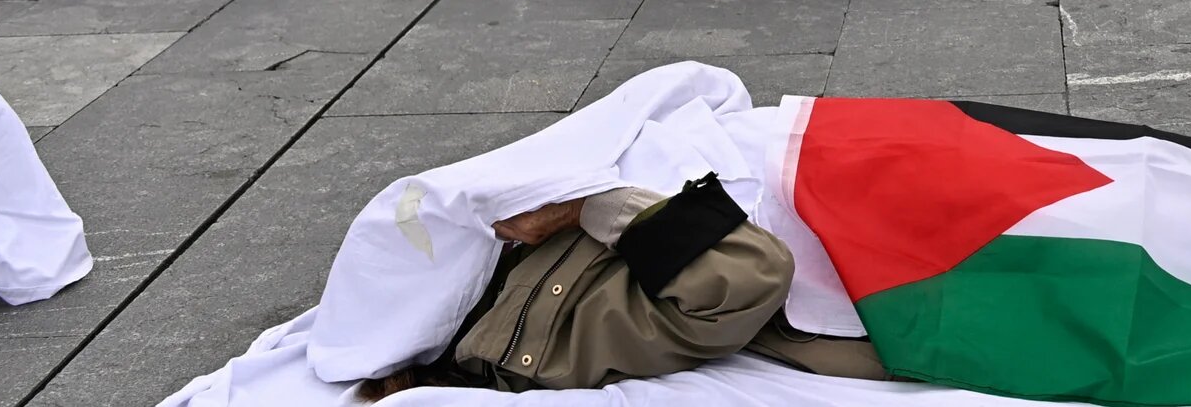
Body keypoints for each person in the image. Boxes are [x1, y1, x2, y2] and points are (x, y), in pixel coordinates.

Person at [355, 174, 884, 396]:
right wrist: (583, 207)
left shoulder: (500, 299)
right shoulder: (541, 347)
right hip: (857, 240)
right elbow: (749, 277)